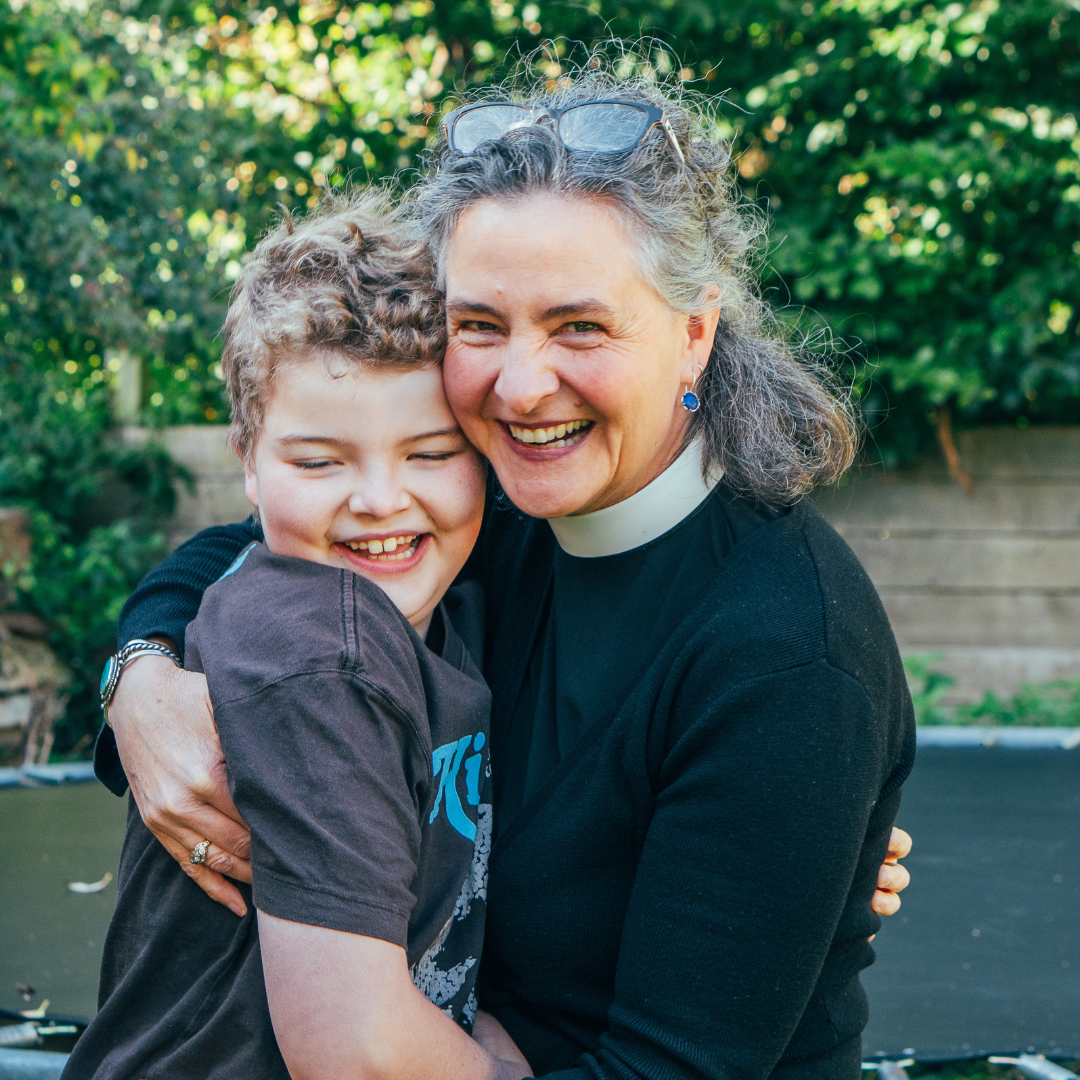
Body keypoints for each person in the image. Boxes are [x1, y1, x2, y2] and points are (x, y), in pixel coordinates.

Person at [97, 59, 915, 1080]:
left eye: (580, 325)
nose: (523, 387)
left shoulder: (789, 654)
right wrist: (139, 679)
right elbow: (249, 551)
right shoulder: (504, 505)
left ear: (694, 334)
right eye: (481, 325)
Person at [65, 194, 531, 1080]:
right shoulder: (320, 652)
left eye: (429, 454)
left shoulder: (445, 607)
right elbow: (353, 1052)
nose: (380, 500)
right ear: (247, 458)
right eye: (319, 462)